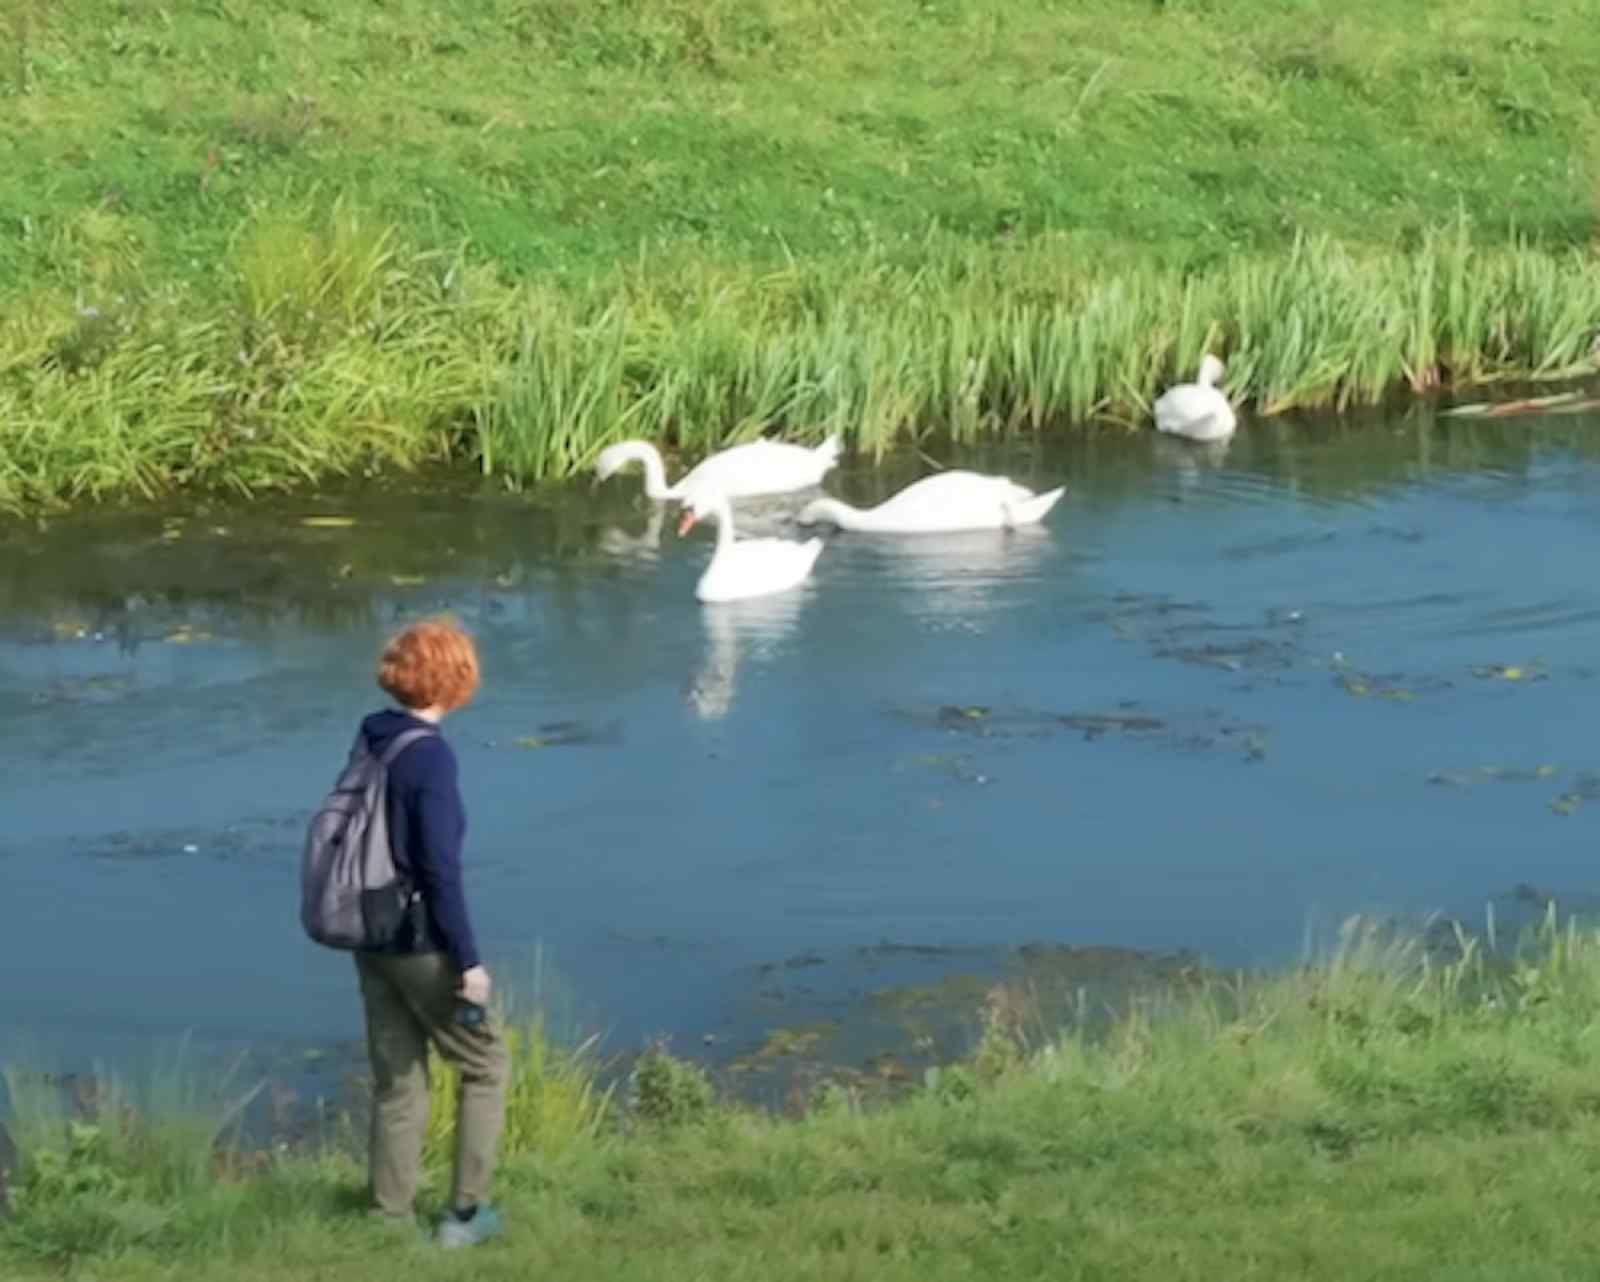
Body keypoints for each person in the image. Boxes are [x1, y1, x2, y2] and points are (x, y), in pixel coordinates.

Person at [354, 617, 509, 1249]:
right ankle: (464, 1218)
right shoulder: (431, 758)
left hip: (368, 930)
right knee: (486, 1065)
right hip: (419, 939)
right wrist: (468, 962)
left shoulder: (374, 735)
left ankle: (387, 1215)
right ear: (457, 679)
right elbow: (440, 870)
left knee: (399, 1076)